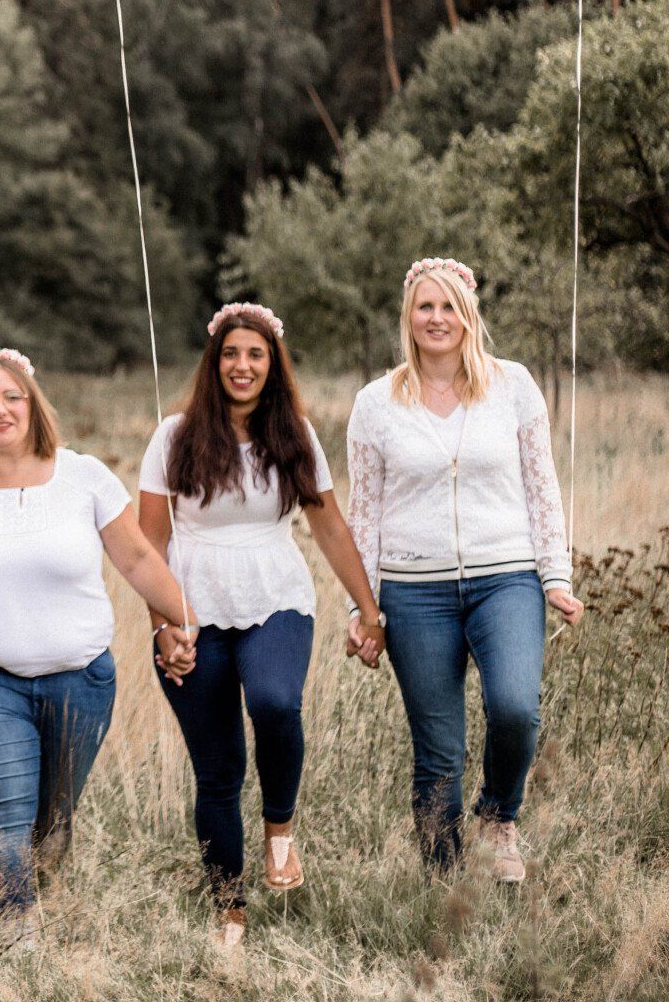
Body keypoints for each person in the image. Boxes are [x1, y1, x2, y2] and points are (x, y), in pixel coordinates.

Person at [0, 347, 196, 943]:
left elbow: (135, 557)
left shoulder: (85, 477)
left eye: (11, 397)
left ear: (33, 405)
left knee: (52, 822)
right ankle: (17, 933)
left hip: (80, 680)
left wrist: (181, 619)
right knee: (5, 819)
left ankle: (36, 886)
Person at [138, 302, 384, 945]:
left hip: (275, 597)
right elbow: (147, 545)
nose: (241, 365)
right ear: (213, 362)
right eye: (230, 353)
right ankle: (230, 910)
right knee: (218, 770)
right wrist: (164, 626)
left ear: (273, 365)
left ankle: (280, 831)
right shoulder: (174, 437)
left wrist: (369, 609)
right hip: (191, 611)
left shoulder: (293, 433)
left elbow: (329, 526)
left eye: (255, 354)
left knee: (275, 702)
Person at [347, 258, 583, 883]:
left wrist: (555, 576)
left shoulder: (514, 386)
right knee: (439, 754)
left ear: (469, 314)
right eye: (425, 306)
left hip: (506, 577)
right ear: (409, 317)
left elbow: (542, 487)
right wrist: (362, 609)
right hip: (413, 591)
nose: (437, 318)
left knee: (515, 708)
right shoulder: (375, 404)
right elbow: (363, 516)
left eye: (449, 306)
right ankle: (443, 885)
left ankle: (499, 816)